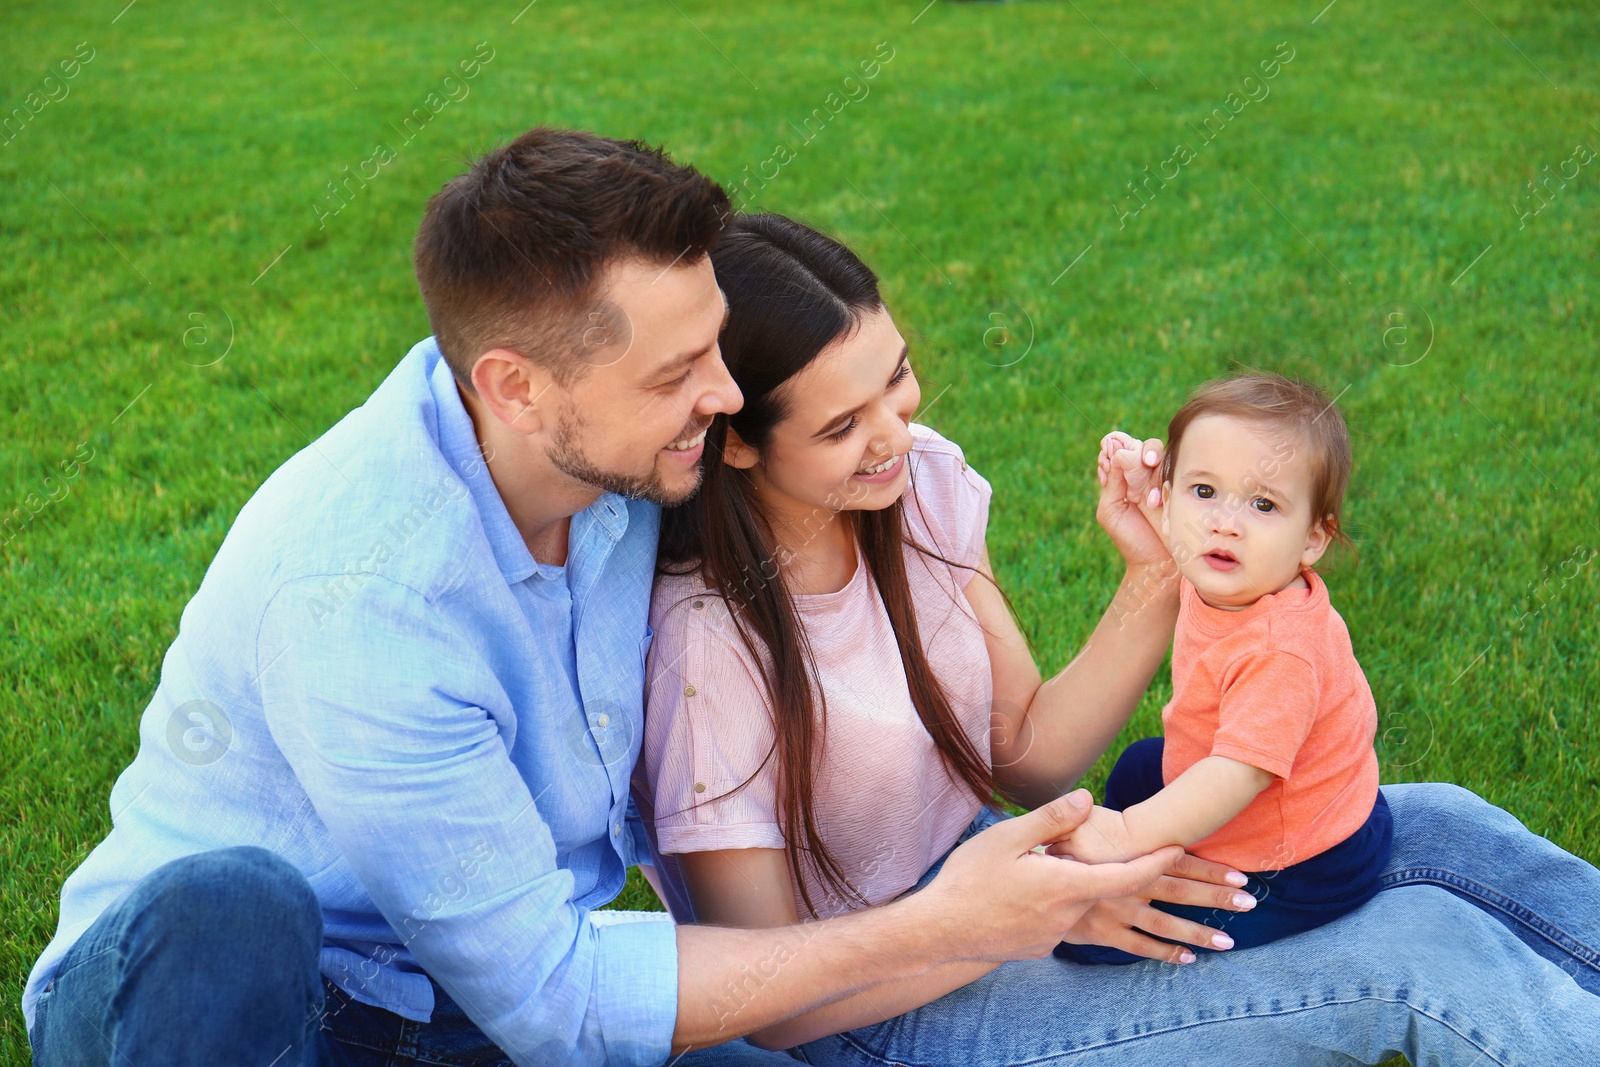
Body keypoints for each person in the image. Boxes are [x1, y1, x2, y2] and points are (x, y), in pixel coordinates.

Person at [21, 128, 1217, 1067]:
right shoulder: (366, 598)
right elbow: (560, 1006)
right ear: (516, 386)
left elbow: (843, 449)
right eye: (679, 372)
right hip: (233, 998)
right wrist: (946, 922)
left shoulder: (626, 447)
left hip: (483, 1003)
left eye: (717, 349)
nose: (725, 395)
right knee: (232, 912)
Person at [640, 211, 1600, 1062]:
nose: (896, 430)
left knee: (1437, 823)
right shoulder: (709, 650)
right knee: (1417, 952)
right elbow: (753, 996)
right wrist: (1008, 919)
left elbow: (1024, 750)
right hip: (875, 1014)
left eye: (896, 380)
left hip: (998, 877)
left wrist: (1158, 568)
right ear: (737, 436)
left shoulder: (912, 488)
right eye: (845, 424)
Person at [1055, 375, 1392, 964]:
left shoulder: (1280, 649)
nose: (1225, 523)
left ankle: (1181, 899)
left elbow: (1239, 775)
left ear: (1313, 538)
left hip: (1298, 862)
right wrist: (1138, 486)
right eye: (1204, 491)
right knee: (1141, 765)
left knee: (1085, 939)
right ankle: (1146, 851)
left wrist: (1129, 837)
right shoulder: (1228, 565)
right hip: (1286, 797)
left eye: (1263, 504)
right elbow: (1171, 524)